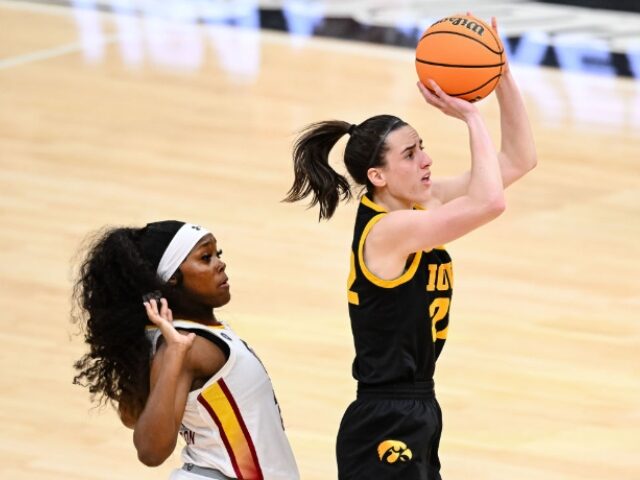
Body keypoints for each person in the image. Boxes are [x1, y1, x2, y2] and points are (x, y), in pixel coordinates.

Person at [284, 17, 536, 480]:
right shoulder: (388, 231)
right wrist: (472, 116)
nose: (426, 159)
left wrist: (500, 74)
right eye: (410, 154)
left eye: (422, 147)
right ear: (377, 177)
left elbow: (519, 160)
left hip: (417, 407)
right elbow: (490, 201)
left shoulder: (423, 205)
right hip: (386, 417)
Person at [72, 220, 300, 480]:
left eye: (218, 254)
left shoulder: (187, 334)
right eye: (205, 258)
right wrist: (175, 354)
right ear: (172, 278)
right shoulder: (184, 345)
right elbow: (150, 451)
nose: (220, 264)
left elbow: (132, 415)